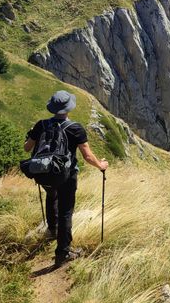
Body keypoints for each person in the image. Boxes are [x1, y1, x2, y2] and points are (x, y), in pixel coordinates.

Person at [24, 90, 109, 266]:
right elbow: (87, 156)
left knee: (51, 195)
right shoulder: (75, 128)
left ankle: (52, 230)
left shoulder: (41, 125)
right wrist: (101, 165)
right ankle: (63, 252)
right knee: (66, 210)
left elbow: (27, 148)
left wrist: (31, 133)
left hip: (44, 173)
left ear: (53, 108)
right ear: (69, 108)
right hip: (66, 175)